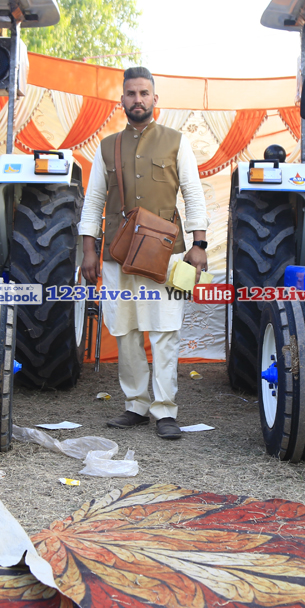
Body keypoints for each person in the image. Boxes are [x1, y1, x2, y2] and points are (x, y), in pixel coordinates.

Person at [79, 67, 208, 441]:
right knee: (126, 330)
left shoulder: (176, 141)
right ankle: (135, 405)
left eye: (144, 93)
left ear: (155, 99)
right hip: (118, 255)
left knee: (165, 331)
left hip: (166, 255)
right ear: (122, 99)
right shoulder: (107, 146)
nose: (138, 99)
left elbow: (193, 194)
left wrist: (199, 244)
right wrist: (89, 250)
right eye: (131, 93)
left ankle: (165, 410)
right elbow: (94, 201)